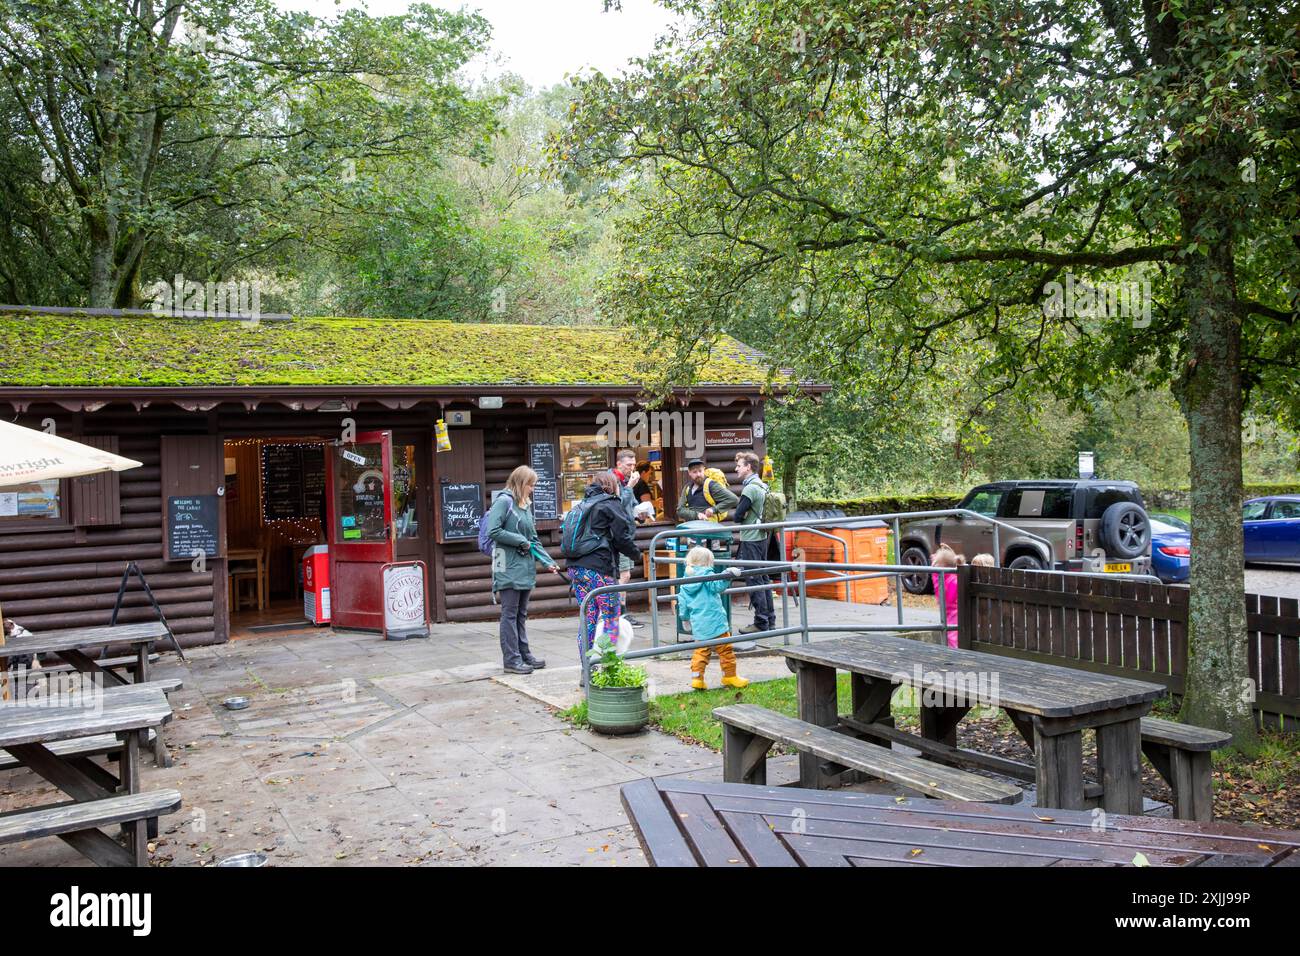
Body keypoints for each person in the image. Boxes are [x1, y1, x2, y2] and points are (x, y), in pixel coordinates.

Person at [487, 465, 560, 675]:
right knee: (509, 614)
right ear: (521, 483)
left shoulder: (524, 505)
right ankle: (511, 660)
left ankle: (524, 654)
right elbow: (494, 530)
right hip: (507, 565)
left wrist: (548, 561)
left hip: (524, 566)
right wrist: (519, 540)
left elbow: (533, 539)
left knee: (520, 613)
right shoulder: (504, 502)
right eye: (531, 485)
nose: (533, 489)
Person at [567, 470, 641, 668]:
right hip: (599, 571)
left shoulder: (582, 505)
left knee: (588, 621)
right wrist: (636, 554)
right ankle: (610, 667)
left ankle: (587, 670)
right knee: (610, 619)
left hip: (577, 570)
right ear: (611, 485)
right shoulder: (610, 503)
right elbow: (622, 537)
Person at [679, 546, 749, 690]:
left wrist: (685, 619)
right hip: (715, 620)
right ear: (708, 562)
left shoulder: (685, 580)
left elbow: (682, 602)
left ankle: (697, 679)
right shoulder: (707, 574)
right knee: (725, 650)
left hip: (699, 623)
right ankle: (729, 676)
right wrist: (727, 574)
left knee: (701, 651)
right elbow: (717, 586)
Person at [732, 451, 775, 634]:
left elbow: (737, 516)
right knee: (763, 577)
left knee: (754, 578)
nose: (736, 469)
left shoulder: (750, 488)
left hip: (751, 537)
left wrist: (743, 515)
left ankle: (761, 622)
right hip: (763, 536)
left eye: (739, 465)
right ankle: (769, 619)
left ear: (748, 467)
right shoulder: (763, 485)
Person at [613, 449, 644, 627]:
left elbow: (630, 505)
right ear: (619, 464)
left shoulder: (626, 480)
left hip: (626, 534)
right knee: (624, 575)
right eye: (628, 465)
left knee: (624, 574)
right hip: (618, 535)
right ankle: (620, 613)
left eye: (633, 465)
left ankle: (618, 612)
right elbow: (616, 505)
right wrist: (630, 487)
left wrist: (640, 513)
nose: (632, 468)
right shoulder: (614, 480)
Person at [676, 457, 739, 522]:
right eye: (694, 472)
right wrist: (697, 515)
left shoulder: (711, 485)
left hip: (709, 528)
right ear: (689, 473)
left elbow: (734, 499)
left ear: (704, 470)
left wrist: (713, 509)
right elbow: (680, 510)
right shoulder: (687, 488)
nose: (698, 474)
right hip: (692, 528)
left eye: (700, 471)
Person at [932, 543, 965, 649]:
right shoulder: (955, 580)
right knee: (954, 635)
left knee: (950, 635)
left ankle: (952, 653)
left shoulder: (938, 578)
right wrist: (952, 555)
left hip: (947, 612)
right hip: (957, 612)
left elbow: (933, 566)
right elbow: (959, 566)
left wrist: (947, 554)